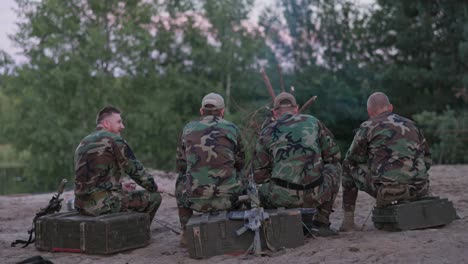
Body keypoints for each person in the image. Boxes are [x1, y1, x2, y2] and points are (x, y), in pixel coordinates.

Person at [253, 92, 342, 236]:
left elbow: (259, 175)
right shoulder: (313, 122)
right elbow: (335, 155)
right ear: (296, 109)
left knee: (257, 186)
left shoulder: (267, 131)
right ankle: (322, 223)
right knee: (335, 167)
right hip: (315, 193)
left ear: (275, 112)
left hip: (282, 197)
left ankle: (279, 222)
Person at [340, 92, 431, 231]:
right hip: (420, 189)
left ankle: (348, 222)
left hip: (389, 192)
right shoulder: (412, 124)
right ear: (391, 107)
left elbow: (352, 159)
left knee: (347, 165)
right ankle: (415, 197)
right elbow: (427, 160)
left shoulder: (368, 127)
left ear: (369, 112)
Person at [175, 93, 246, 242]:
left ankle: (187, 233)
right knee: (244, 177)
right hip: (229, 199)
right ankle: (240, 225)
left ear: (201, 111)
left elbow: (181, 165)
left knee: (180, 182)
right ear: (222, 112)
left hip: (196, 200)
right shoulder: (232, 128)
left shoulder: (188, 129)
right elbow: (240, 162)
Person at [74, 106, 162, 221]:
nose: (122, 126)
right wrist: (154, 186)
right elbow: (135, 170)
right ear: (106, 123)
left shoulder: (83, 142)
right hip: (101, 205)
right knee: (154, 197)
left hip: (81, 205)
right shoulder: (114, 140)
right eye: (119, 122)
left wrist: (119, 186)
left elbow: (91, 180)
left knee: (125, 195)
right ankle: (137, 233)